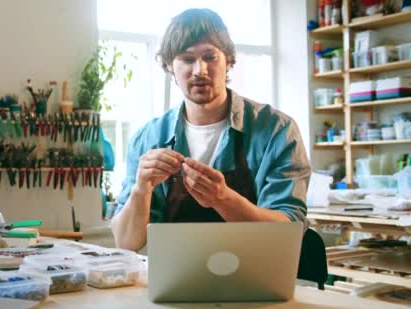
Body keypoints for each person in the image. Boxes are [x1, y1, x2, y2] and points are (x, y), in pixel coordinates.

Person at [111, 8, 311, 252]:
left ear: (228, 60)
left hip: (256, 279)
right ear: (170, 66)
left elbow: (288, 231)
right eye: (186, 59)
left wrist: (223, 199)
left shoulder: (276, 131)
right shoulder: (148, 139)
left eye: (209, 57)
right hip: (174, 279)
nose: (199, 71)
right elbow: (125, 243)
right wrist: (141, 189)